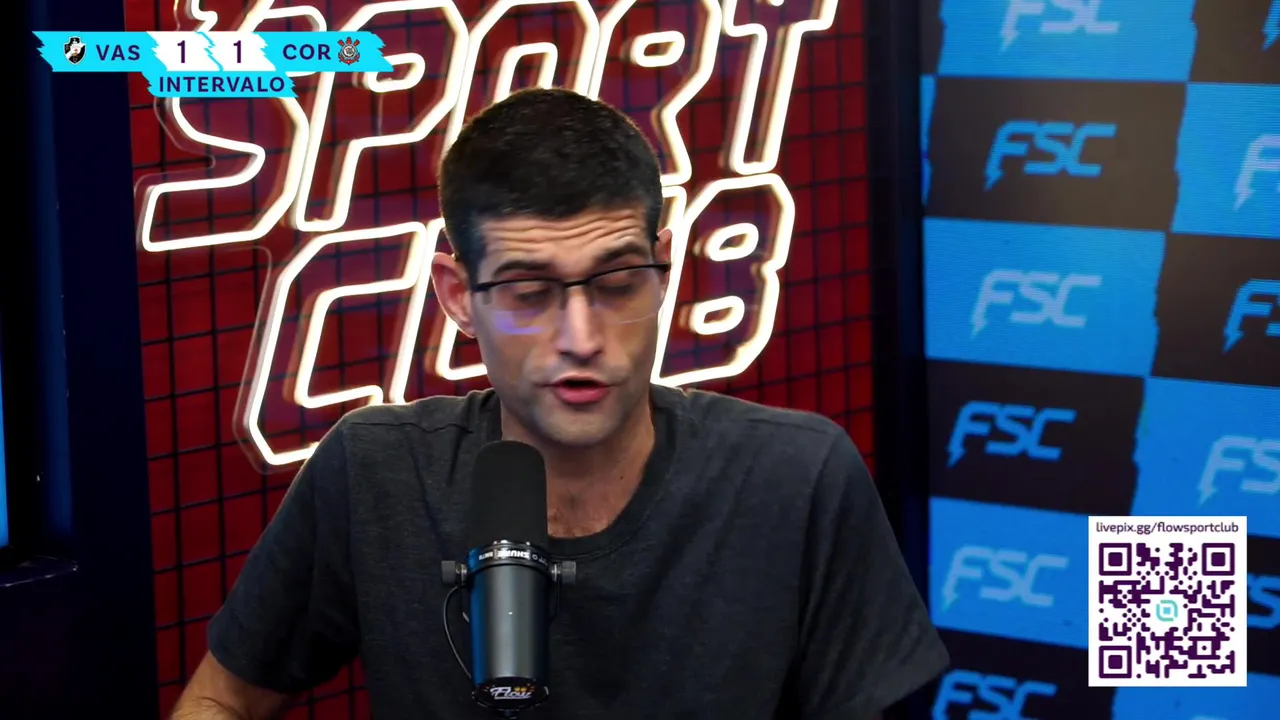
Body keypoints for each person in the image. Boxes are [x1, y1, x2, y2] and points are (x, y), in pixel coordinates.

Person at [172, 87, 949, 720]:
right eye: (529, 292)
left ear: (662, 273)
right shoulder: (376, 471)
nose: (581, 338)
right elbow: (222, 697)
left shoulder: (796, 477)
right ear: (458, 296)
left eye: (617, 283)